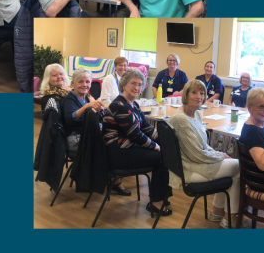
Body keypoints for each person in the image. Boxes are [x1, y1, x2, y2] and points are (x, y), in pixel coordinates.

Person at [168, 80, 240, 228]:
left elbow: (203, 146)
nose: (199, 96)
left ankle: (218, 212)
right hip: (190, 168)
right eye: (194, 92)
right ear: (186, 95)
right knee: (239, 166)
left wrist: (218, 153)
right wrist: (221, 156)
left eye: (202, 93)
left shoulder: (197, 114)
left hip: (197, 162)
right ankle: (229, 217)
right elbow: (197, 154)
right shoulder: (181, 119)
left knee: (231, 165)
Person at [103, 69, 172, 217]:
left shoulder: (133, 105)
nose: (137, 88)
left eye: (140, 85)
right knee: (162, 158)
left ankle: (160, 197)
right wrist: (156, 146)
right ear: (124, 85)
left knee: (166, 154)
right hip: (118, 153)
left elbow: (148, 129)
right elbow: (136, 135)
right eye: (133, 83)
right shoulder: (118, 106)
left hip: (129, 149)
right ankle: (156, 202)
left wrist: (165, 143)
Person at [62, 68, 105, 153]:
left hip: (86, 135)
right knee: (107, 145)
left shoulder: (87, 99)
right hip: (75, 138)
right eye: (80, 82)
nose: (84, 84)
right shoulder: (69, 100)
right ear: (72, 84)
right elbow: (70, 119)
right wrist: (87, 106)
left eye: (87, 82)